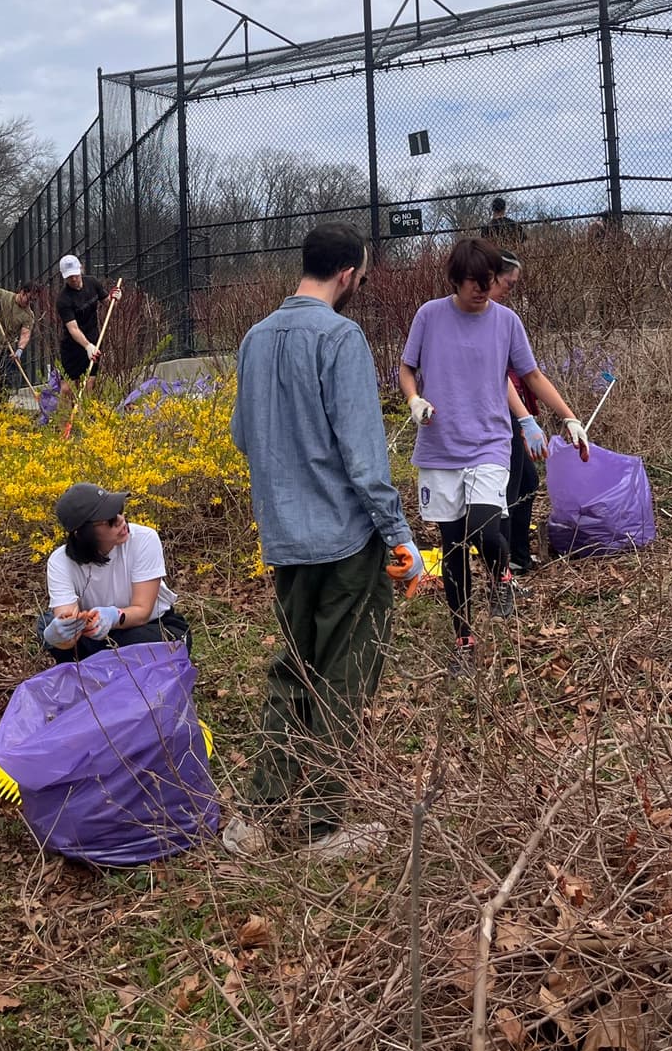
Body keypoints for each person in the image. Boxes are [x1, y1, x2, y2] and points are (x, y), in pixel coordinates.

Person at [225, 222, 423, 862]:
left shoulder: (255, 338)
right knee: (344, 674)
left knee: (293, 670)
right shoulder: (341, 337)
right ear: (348, 275)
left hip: (283, 539)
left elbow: (242, 437)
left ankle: (254, 820)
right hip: (345, 542)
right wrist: (399, 536)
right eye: (362, 276)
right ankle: (323, 827)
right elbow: (364, 458)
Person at [400, 238, 587, 675]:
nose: (482, 291)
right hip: (439, 446)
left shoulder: (506, 321)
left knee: (485, 527)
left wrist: (567, 418)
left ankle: (501, 575)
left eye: (488, 282)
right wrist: (413, 399)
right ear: (455, 280)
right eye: (474, 284)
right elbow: (408, 368)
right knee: (452, 545)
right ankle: (463, 641)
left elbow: (531, 374)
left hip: (489, 443)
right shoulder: (429, 315)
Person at [38, 482, 192, 660]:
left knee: (145, 642)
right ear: (83, 533)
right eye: (110, 520)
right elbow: (67, 621)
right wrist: (62, 633)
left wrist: (114, 616)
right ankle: (100, 666)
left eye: (120, 510)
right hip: (95, 634)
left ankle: (104, 663)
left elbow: (142, 612)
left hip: (149, 626)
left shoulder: (144, 539)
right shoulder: (60, 562)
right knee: (47, 625)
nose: (121, 521)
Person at [488, 251, 539, 586]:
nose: (511, 289)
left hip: (513, 407)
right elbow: (498, 377)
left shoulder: (502, 318)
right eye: (508, 283)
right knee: (509, 490)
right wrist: (523, 418)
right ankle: (503, 570)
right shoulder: (482, 320)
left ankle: (519, 556)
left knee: (528, 482)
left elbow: (528, 372)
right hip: (497, 414)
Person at [54, 255, 119, 395]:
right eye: (69, 276)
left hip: (94, 339)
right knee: (67, 388)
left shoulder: (93, 283)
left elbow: (107, 302)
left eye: (75, 275)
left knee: (89, 383)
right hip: (72, 347)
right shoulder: (63, 300)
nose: (73, 279)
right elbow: (73, 329)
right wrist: (87, 346)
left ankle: (85, 416)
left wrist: (115, 298)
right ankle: (65, 417)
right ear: (64, 277)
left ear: (80, 269)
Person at [0, 281, 40, 387]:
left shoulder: (28, 315)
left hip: (5, 350)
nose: (30, 302)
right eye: (29, 298)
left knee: (5, 384)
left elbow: (25, 334)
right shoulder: (4, 295)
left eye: (33, 300)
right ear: (22, 292)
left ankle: (1, 403)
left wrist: (20, 349)